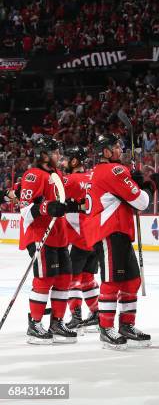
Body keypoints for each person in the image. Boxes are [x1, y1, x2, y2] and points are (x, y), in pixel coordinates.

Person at [85, 133, 151, 350]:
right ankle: (105, 328)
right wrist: (144, 188)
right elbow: (141, 203)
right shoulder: (114, 171)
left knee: (131, 281)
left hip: (118, 231)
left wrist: (134, 183)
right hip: (108, 231)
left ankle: (126, 325)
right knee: (112, 281)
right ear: (105, 152)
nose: (120, 150)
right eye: (116, 147)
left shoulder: (105, 171)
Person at [19, 136, 76, 344]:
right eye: (54, 152)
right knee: (44, 280)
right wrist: (46, 207)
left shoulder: (57, 174)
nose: (59, 155)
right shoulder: (34, 175)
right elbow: (25, 210)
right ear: (43, 155)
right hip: (40, 235)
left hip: (59, 236)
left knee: (64, 279)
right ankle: (35, 324)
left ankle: (57, 322)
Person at [62, 145, 99, 333]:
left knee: (72, 278)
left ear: (74, 161)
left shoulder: (68, 180)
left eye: (66, 158)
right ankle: (96, 313)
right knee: (87, 277)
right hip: (95, 234)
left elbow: (52, 195)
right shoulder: (92, 177)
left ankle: (75, 316)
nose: (63, 161)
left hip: (79, 236)